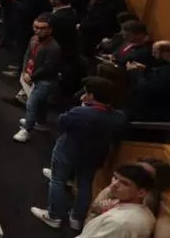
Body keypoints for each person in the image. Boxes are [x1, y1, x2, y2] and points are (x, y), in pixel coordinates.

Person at [30, 77, 127, 231]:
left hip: (68, 149)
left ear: (91, 96)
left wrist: (82, 106)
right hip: (95, 154)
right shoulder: (119, 117)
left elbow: (62, 122)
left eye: (86, 92)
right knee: (84, 185)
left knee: (57, 180)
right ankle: (77, 218)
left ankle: (53, 216)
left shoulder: (80, 112)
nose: (83, 95)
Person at [14, 14, 61, 142]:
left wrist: (32, 76)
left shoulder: (54, 48)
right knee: (41, 102)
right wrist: (24, 70)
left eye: (42, 28)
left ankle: (26, 130)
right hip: (31, 75)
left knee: (32, 103)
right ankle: (40, 122)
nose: (38, 30)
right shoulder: (33, 39)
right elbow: (27, 55)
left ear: (49, 30)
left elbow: (47, 68)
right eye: (36, 27)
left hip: (46, 80)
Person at [76, 164, 157, 238]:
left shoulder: (119, 223)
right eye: (115, 177)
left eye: (124, 183)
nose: (114, 184)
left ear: (141, 193)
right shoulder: (139, 209)